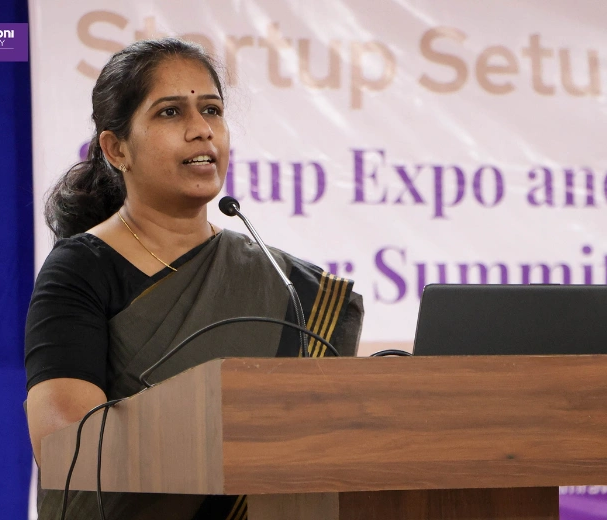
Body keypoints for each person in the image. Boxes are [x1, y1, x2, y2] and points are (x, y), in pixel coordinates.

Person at [24, 38, 363, 520]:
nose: (202, 130)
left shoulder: (287, 283)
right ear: (116, 148)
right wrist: (218, 430)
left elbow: (325, 445)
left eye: (212, 110)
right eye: (170, 112)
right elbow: (66, 445)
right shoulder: (81, 270)